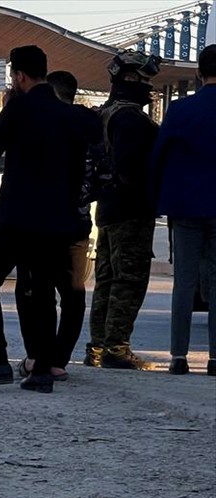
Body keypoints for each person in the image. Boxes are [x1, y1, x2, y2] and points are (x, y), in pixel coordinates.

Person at [0, 45, 87, 393]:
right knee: (43, 293)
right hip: (56, 218)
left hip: (18, 218)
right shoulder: (72, 116)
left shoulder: (19, 107)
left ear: (19, 76)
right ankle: (42, 370)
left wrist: (10, 109)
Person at [12, 70, 103, 382]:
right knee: (73, 293)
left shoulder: (41, 122)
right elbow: (99, 176)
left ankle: (36, 355)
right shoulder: (87, 124)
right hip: (77, 224)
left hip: (38, 224)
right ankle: (58, 360)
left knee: (33, 291)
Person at [86, 50, 161, 371]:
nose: (148, 88)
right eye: (145, 81)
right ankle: (117, 348)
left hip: (108, 208)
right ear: (130, 79)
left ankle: (98, 348)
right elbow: (130, 168)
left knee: (107, 279)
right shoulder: (131, 119)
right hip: (131, 209)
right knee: (128, 280)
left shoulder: (106, 114)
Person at [150, 44, 216, 376]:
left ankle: (178, 356)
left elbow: (159, 156)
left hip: (186, 208)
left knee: (185, 282)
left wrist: (156, 199)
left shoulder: (180, 110)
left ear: (198, 74)